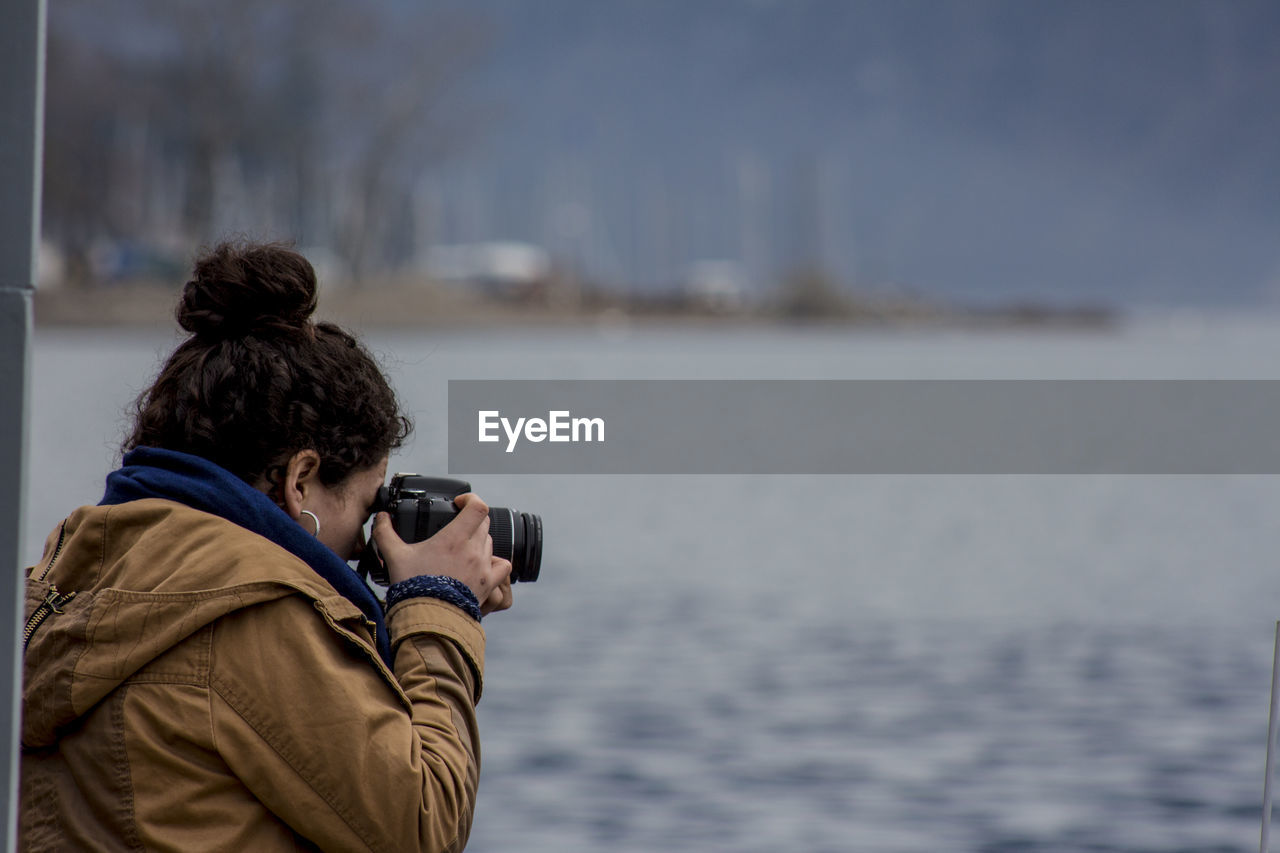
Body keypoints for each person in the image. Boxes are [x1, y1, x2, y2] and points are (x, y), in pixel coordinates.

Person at [21, 241, 513, 852]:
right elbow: (421, 827)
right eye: (367, 507)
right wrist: (437, 606)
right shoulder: (252, 616)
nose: (366, 542)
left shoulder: (67, 568)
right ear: (299, 479)